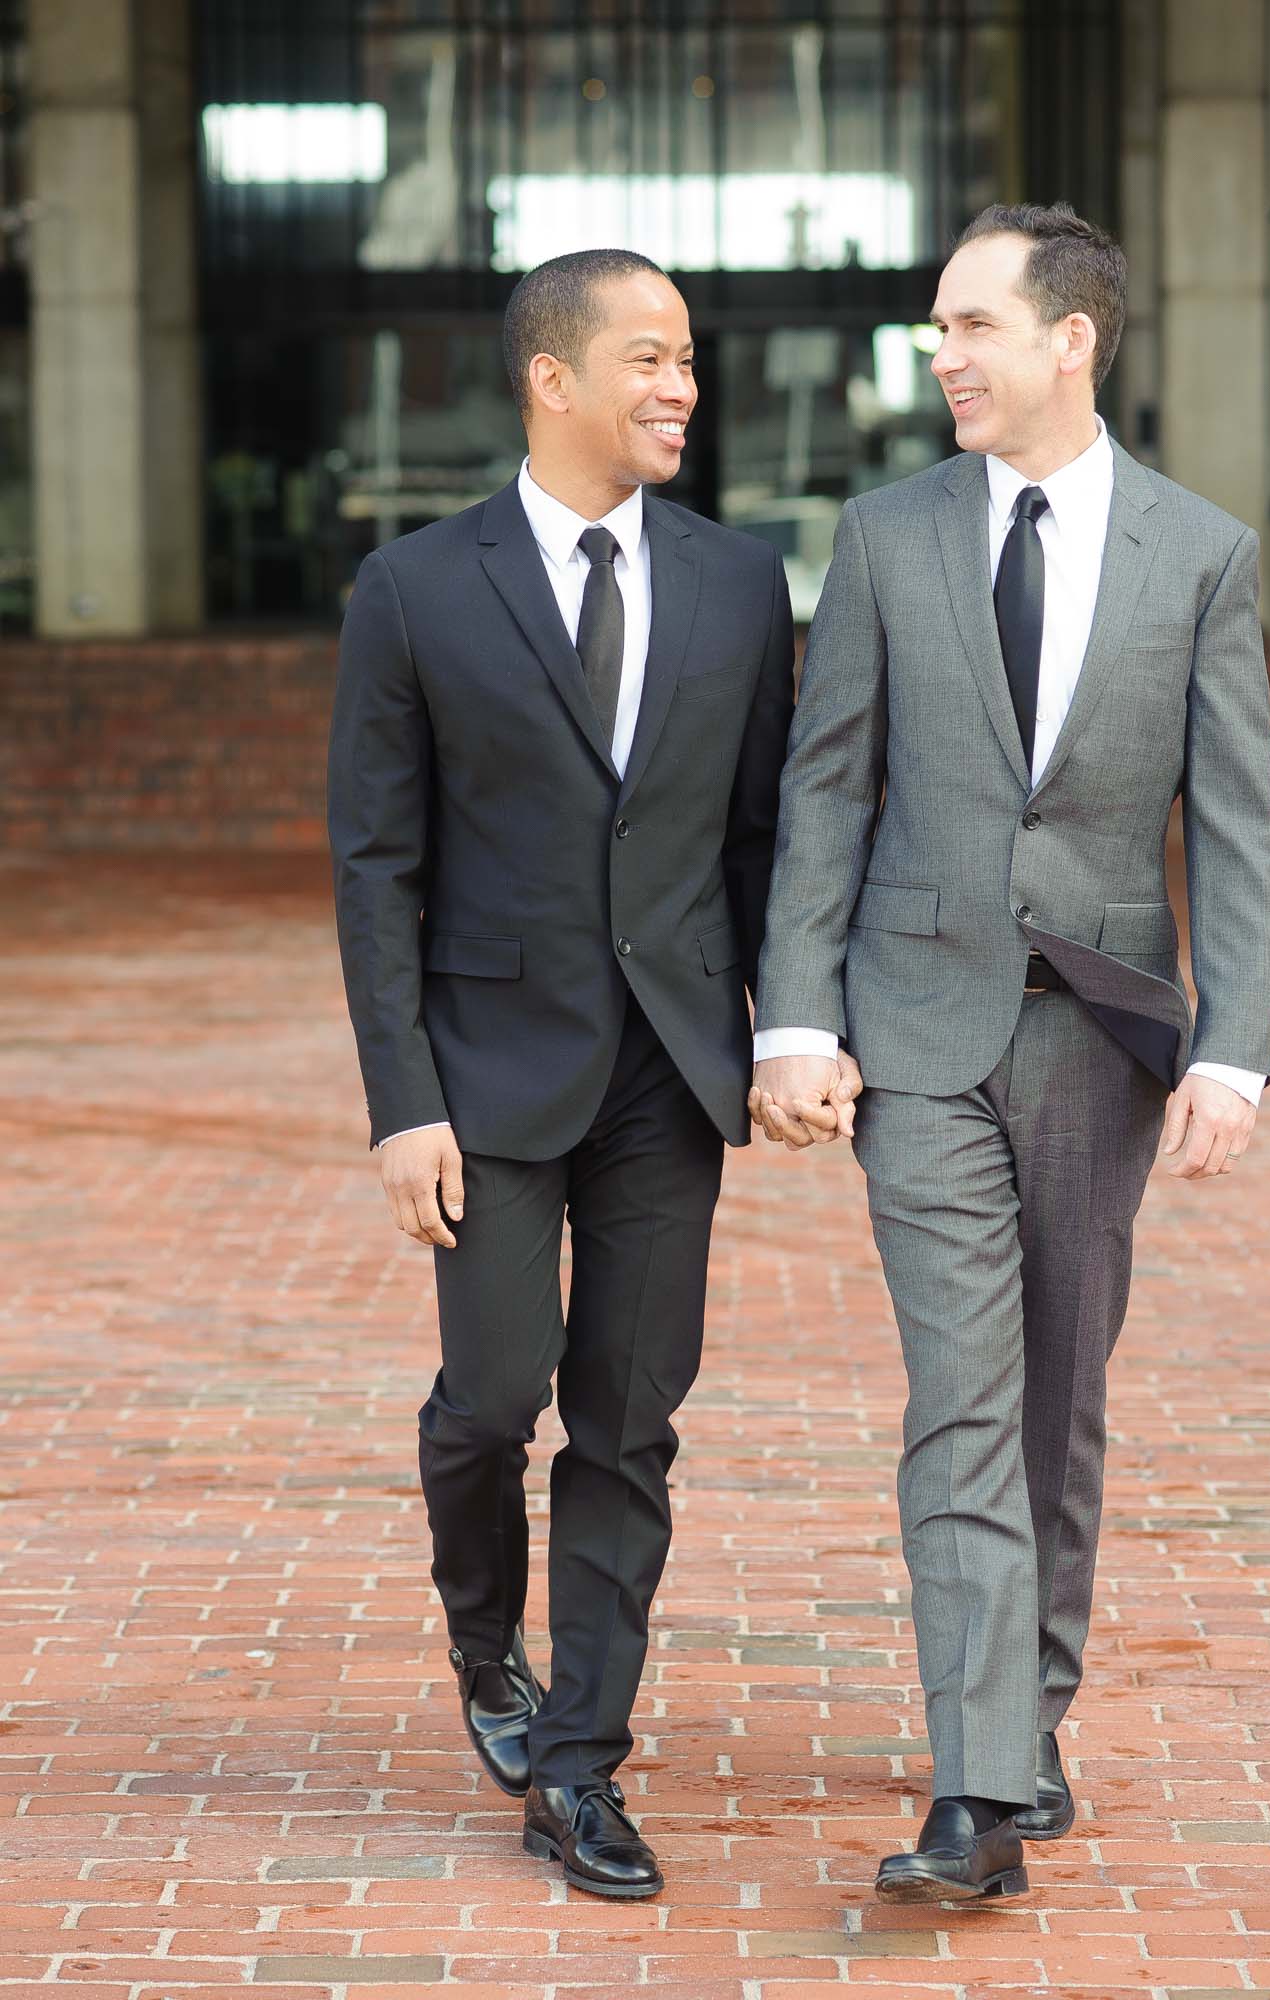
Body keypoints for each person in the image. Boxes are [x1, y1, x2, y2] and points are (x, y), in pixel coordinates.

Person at [750, 202, 1270, 1903]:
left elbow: (1242, 828)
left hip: (1107, 1044)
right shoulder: (887, 535)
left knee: (1061, 1393)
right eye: (936, 330)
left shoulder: (1200, 554)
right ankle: (975, 1793)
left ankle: (1027, 1711)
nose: (944, 358)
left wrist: (1239, 1048)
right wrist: (798, 1014)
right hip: (916, 1032)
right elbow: (826, 787)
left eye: (972, 326)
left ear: (1074, 339)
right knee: (960, 1399)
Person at [327, 248, 823, 1900]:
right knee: (491, 1402)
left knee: (627, 1423)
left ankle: (581, 1762)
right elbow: (375, 867)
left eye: (689, 360)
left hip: (666, 1076)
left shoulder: (744, 585)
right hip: (482, 1074)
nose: (682, 385)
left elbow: (762, 840)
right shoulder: (413, 590)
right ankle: (489, 1654)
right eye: (651, 357)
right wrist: (404, 1102)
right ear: (553, 378)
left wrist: (784, 1029)